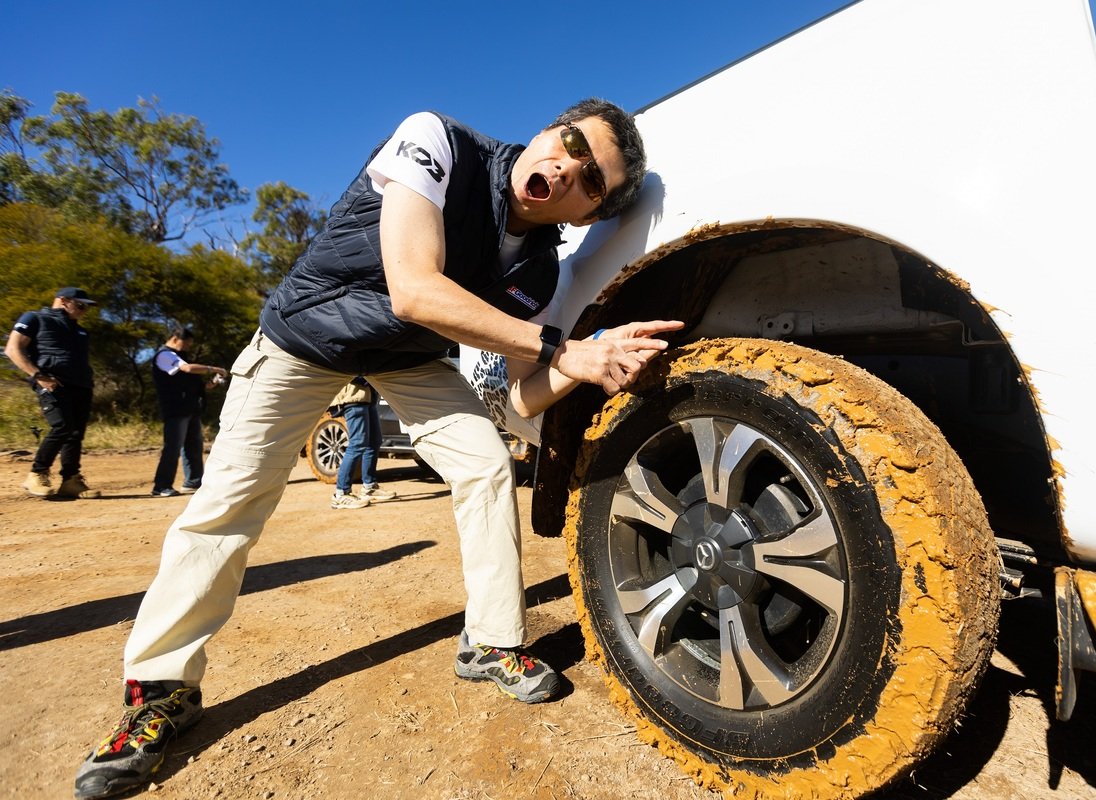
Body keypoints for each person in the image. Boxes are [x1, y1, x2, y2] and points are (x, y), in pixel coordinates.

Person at [75, 97, 683, 800]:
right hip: (306, 336)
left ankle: (489, 641)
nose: (566, 168)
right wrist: (565, 346)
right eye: (571, 143)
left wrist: (588, 362)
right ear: (549, 127)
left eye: (591, 181)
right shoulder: (437, 142)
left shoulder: (539, 275)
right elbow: (415, 291)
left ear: (585, 216)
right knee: (230, 501)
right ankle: (160, 690)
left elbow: (519, 402)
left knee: (485, 462)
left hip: (406, 360)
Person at [5, 287, 102, 499]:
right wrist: (37, 375)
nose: (84, 310)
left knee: (75, 433)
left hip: (82, 385)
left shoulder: (79, 330)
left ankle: (71, 480)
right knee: (62, 426)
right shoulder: (35, 318)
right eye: (80, 305)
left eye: (86, 307)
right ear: (63, 300)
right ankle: (37, 473)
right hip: (52, 382)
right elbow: (13, 349)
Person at [150, 327, 229, 497]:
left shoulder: (181, 358)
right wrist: (213, 368)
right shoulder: (164, 355)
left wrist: (212, 382)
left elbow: (198, 384)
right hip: (175, 408)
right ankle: (161, 486)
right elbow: (187, 369)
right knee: (173, 447)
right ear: (175, 338)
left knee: (194, 446)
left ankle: (193, 482)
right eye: (187, 343)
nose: (188, 347)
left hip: (191, 408)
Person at [329, 376, 397, 509]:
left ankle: (369, 487)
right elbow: (345, 367)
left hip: (368, 397)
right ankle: (341, 493)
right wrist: (368, 376)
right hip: (353, 397)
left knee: (374, 441)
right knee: (357, 444)